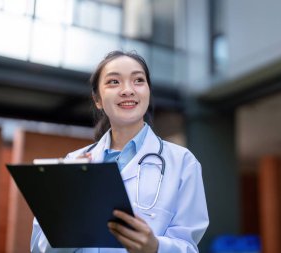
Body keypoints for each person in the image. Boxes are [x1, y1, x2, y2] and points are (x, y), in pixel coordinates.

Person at [30, 50, 209, 253]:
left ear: (148, 92)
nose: (127, 90)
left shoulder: (183, 162)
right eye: (114, 82)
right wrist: (68, 217)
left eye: (138, 80)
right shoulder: (71, 163)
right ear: (97, 99)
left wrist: (155, 247)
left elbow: (188, 247)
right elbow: (39, 249)